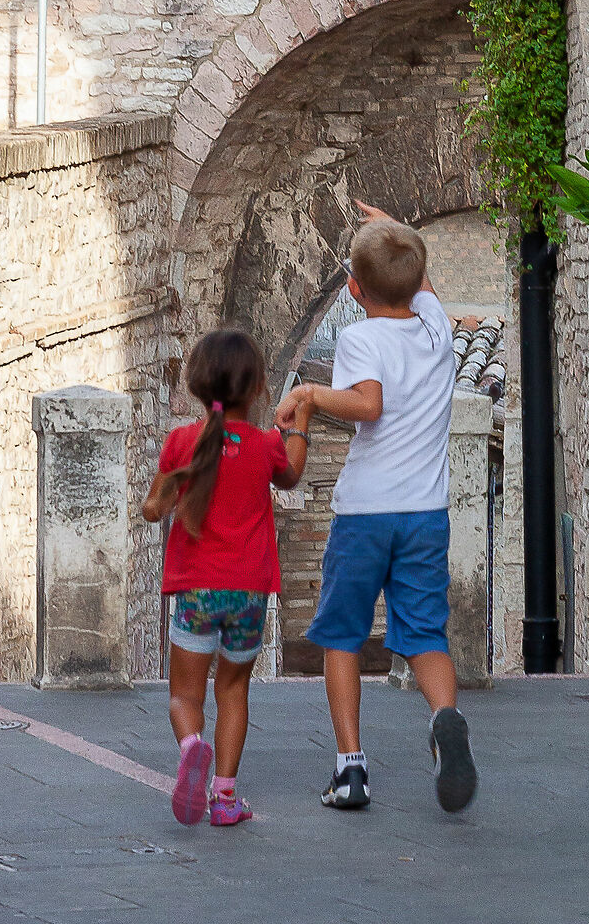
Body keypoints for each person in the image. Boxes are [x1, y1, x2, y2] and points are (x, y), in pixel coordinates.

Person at [276, 213, 477, 816]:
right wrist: (397, 232)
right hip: (424, 513)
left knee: (341, 633)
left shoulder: (361, 337)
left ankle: (350, 770)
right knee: (422, 632)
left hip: (365, 513)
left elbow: (368, 404)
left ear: (354, 291)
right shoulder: (437, 329)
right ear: (416, 285)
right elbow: (427, 289)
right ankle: (445, 719)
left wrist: (309, 395)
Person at [143, 327, 308, 828]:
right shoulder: (263, 445)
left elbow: (154, 508)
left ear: (195, 384)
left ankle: (193, 746)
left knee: (184, 696)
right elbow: (293, 474)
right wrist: (300, 424)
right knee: (233, 690)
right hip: (250, 592)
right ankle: (225, 799)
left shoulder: (180, 442)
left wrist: (164, 498)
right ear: (258, 388)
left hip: (196, 590)